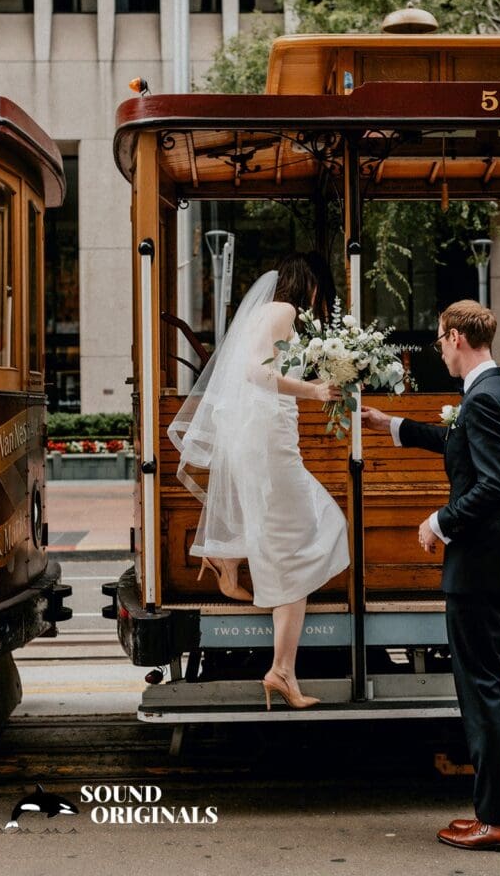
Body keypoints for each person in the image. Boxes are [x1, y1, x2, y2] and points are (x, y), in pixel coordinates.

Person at [361, 299, 500, 854]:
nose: (439, 348)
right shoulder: (499, 391)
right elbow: (458, 442)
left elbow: (494, 485)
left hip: (480, 567)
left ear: (457, 337)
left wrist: (438, 520)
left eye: (440, 338)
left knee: (481, 691)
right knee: (496, 688)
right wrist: (393, 426)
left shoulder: (481, 400)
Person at [169, 254, 350, 710]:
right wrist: (313, 390)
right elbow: (254, 371)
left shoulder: (266, 314)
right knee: (306, 537)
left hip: (267, 437)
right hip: (270, 441)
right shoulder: (284, 311)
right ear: (309, 286)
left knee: (301, 529)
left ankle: (225, 559)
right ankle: (281, 670)